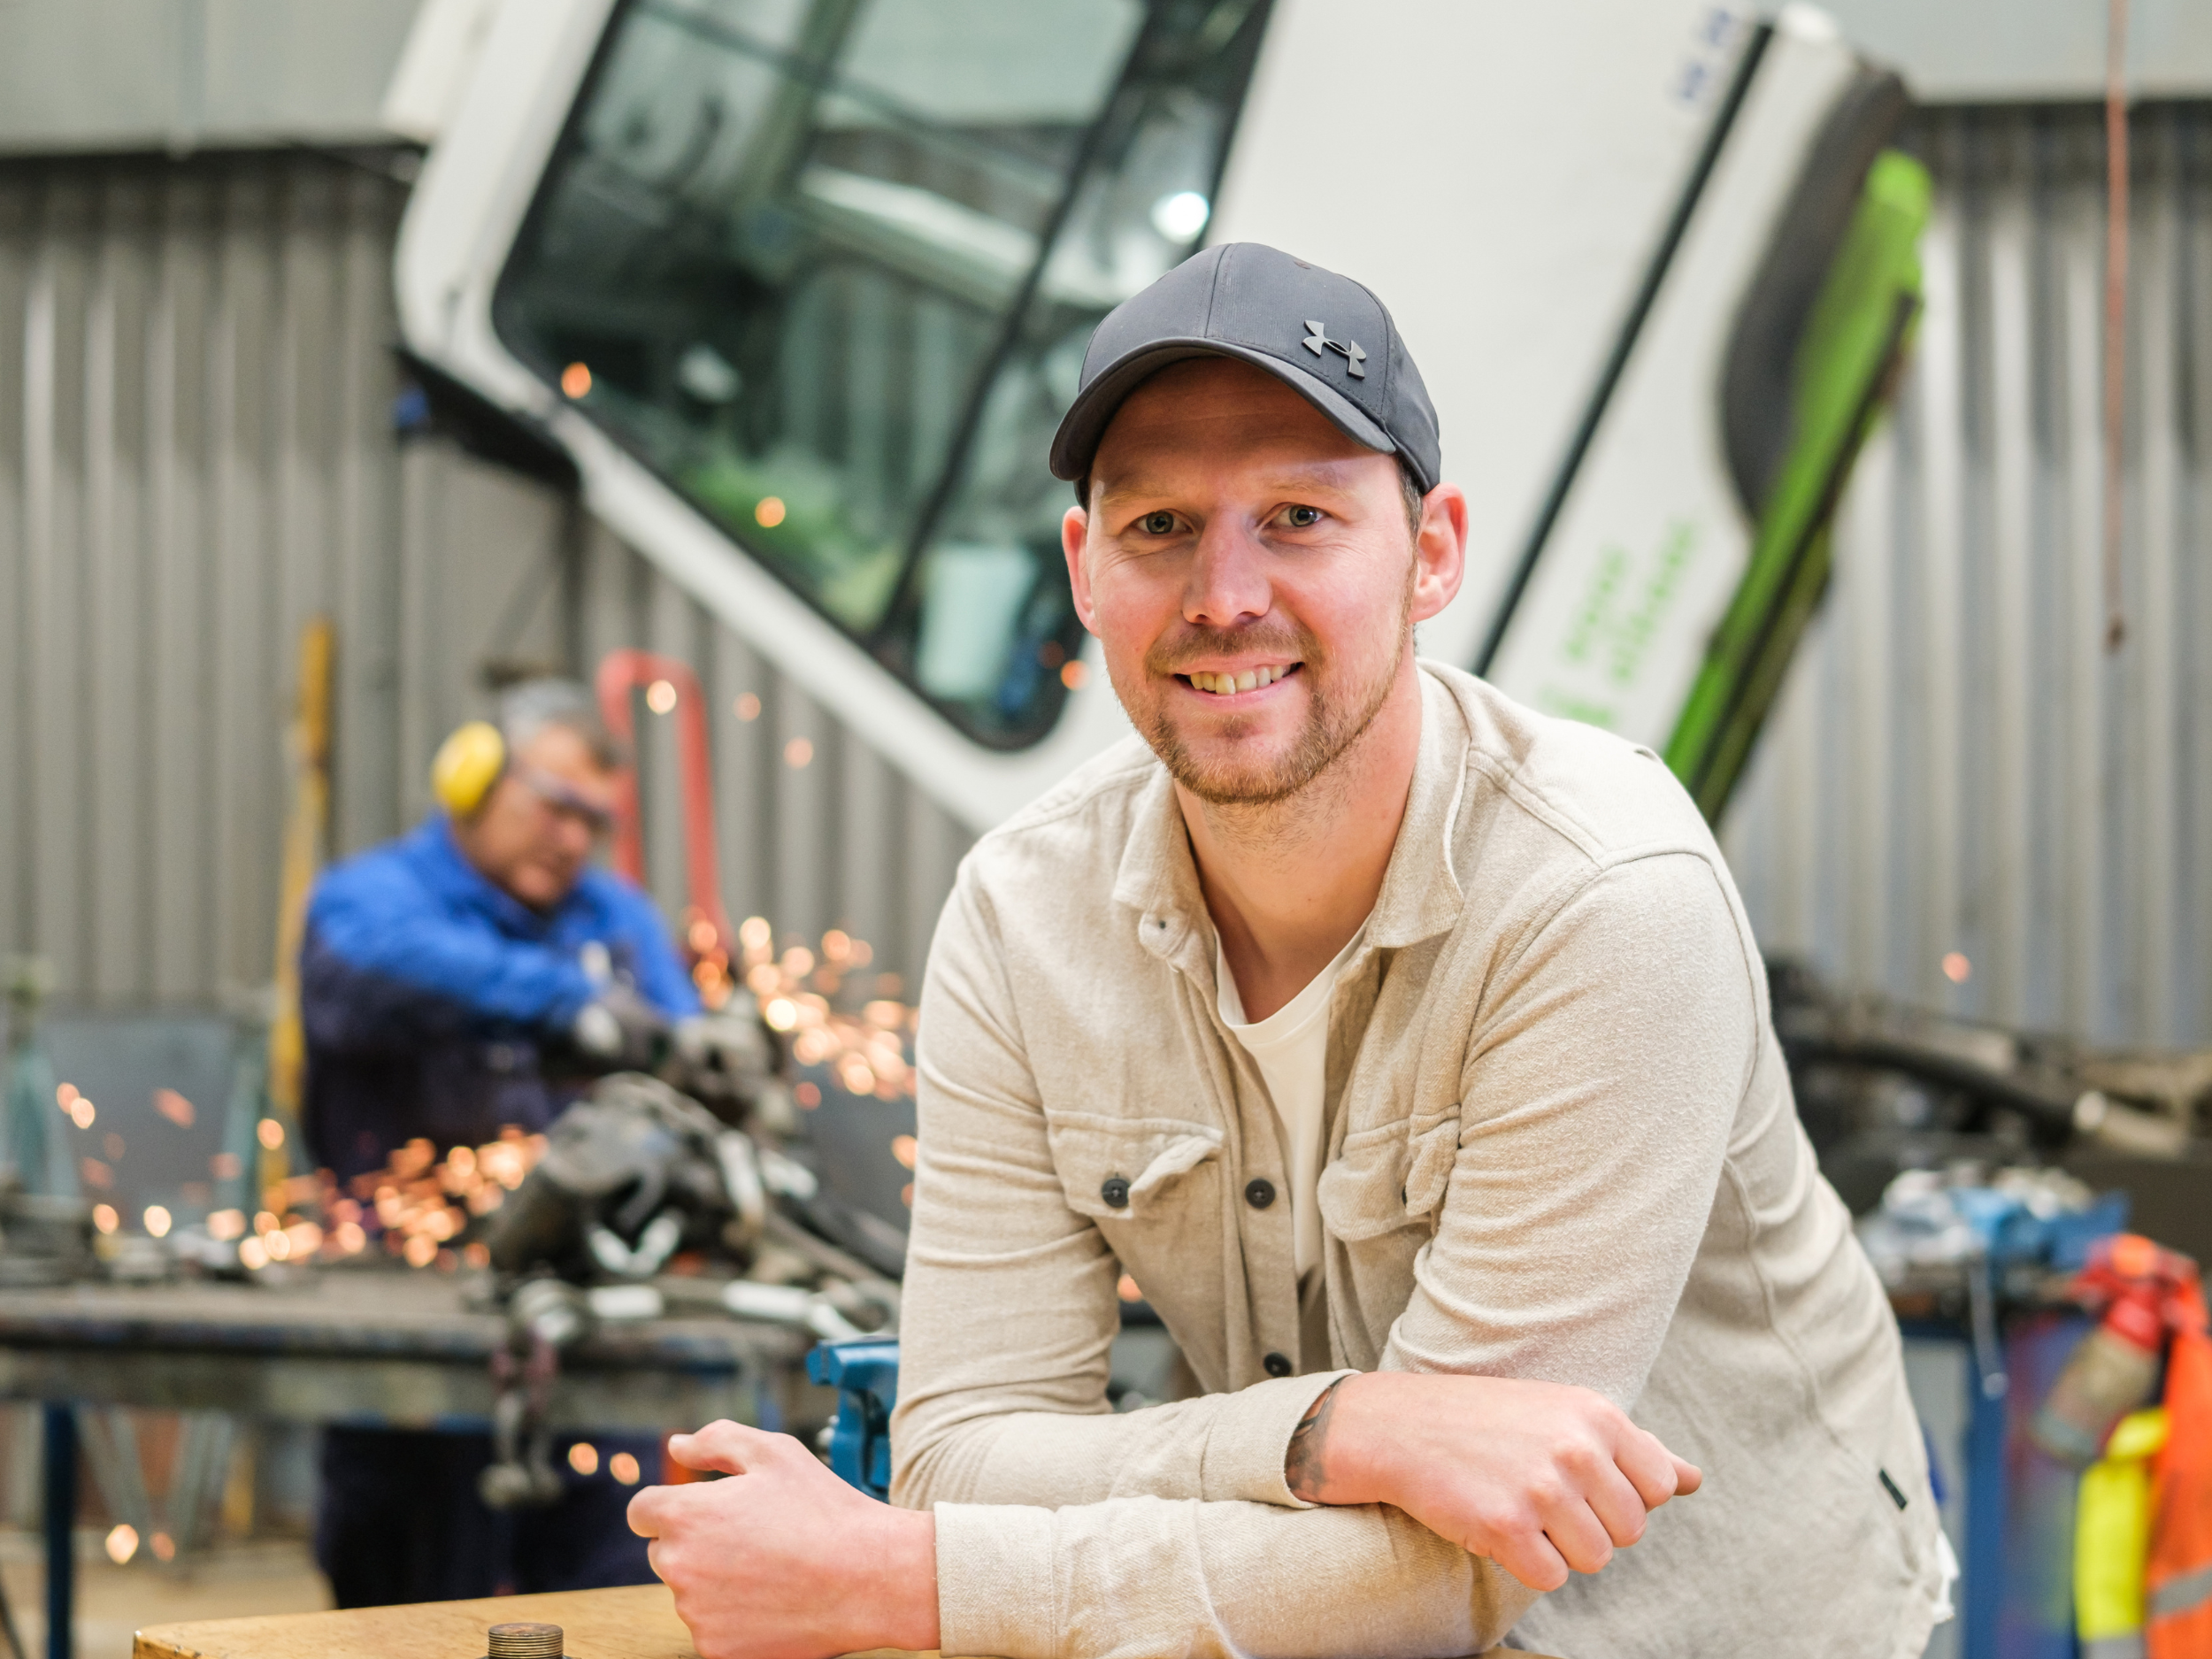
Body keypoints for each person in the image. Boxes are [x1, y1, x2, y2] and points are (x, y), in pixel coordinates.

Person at [629, 245, 1952, 1658]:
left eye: (1301, 515)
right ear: (1084, 568)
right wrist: (1341, 1424)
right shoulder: (1024, 919)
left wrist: (908, 1581)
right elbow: (960, 1455)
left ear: (1433, 550)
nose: (1223, 593)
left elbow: (1457, 1572)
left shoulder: (1600, 894)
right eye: (1159, 527)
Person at [300, 678, 701, 1606]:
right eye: (556, 808)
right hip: (406, 1314)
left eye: (591, 822)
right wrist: (570, 1005)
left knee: (611, 1601)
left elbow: (681, 1037)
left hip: (586, 1327)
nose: (572, 840)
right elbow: (378, 965)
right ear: (473, 779)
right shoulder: (370, 902)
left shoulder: (615, 917)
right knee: (411, 1612)